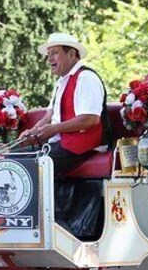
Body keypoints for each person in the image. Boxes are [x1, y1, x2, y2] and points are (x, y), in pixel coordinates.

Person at [19, 32, 105, 175]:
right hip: (60, 145)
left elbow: (90, 119)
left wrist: (54, 129)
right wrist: (32, 133)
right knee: (11, 157)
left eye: (54, 53)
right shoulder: (61, 82)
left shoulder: (86, 78)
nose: (49, 59)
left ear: (71, 54)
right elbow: (48, 117)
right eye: (49, 54)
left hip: (82, 147)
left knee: (25, 166)